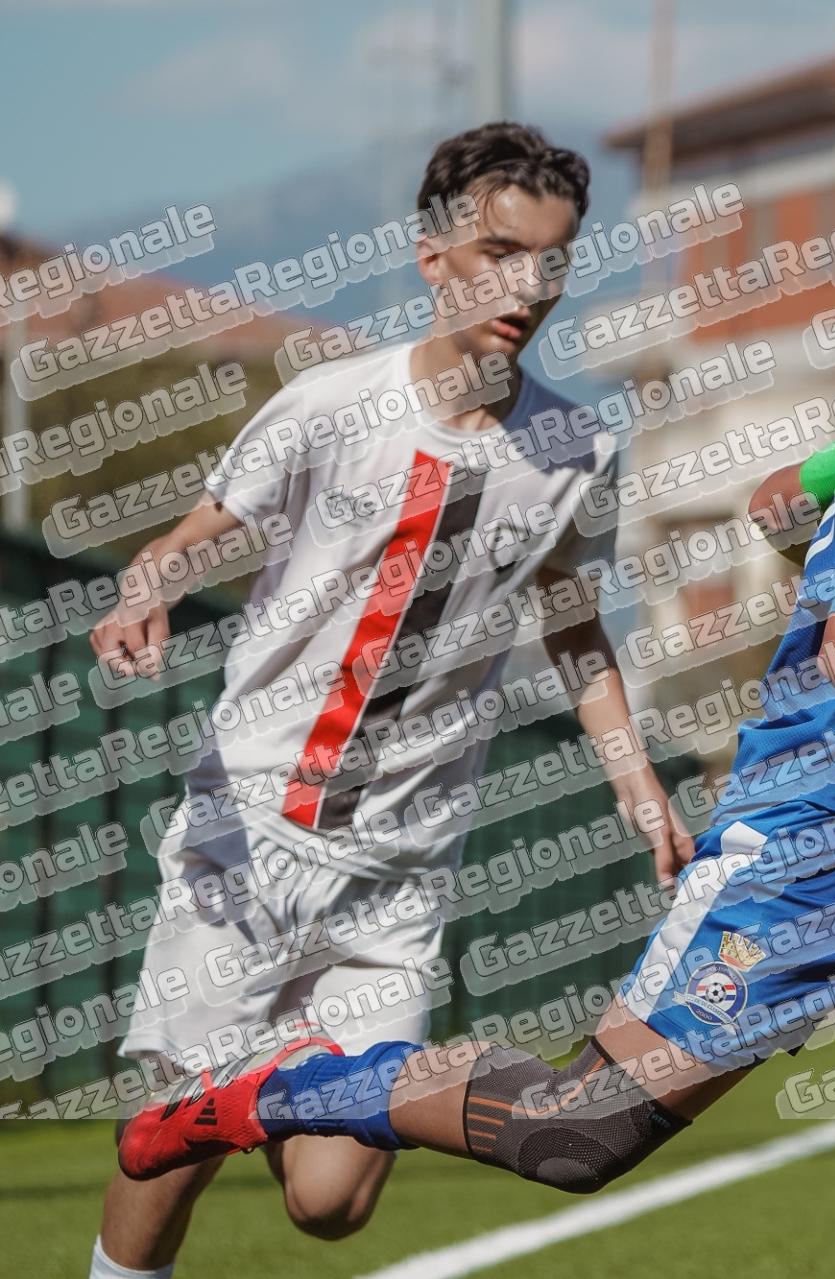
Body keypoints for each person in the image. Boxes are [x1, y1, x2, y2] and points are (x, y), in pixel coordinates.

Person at [117, 128, 835, 1279]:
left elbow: (786, 501)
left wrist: (834, 484)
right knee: (575, 1133)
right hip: (813, 867)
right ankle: (266, 1091)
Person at [88, 121, 691, 1279]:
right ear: (433, 258)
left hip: (401, 871)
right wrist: (147, 587)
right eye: (501, 253)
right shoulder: (332, 403)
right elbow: (199, 530)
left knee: (332, 1201)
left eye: (552, 260)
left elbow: (574, 626)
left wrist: (636, 780)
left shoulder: (574, 449)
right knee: (169, 1146)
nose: (529, 286)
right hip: (253, 833)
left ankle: (254, 1079)